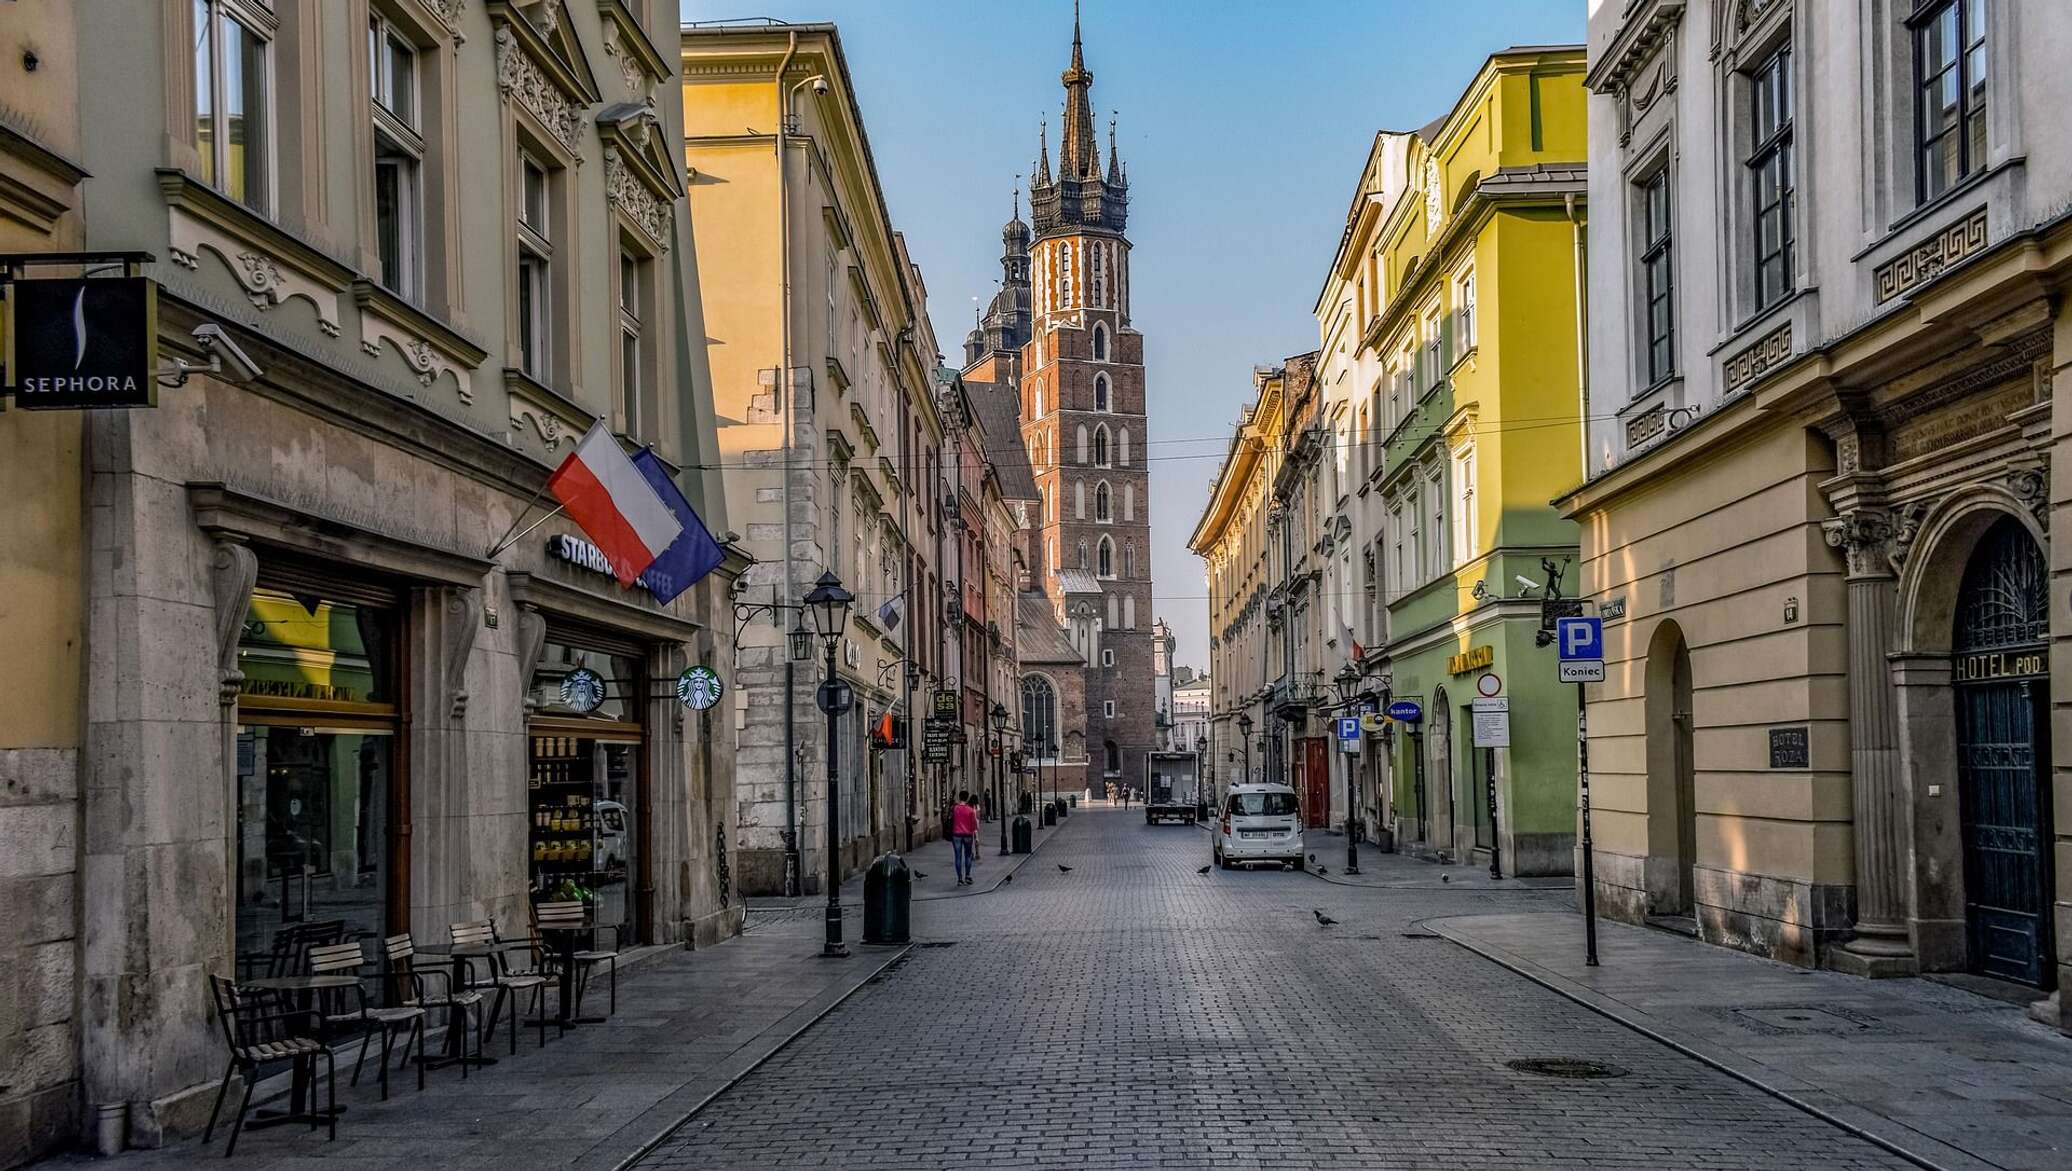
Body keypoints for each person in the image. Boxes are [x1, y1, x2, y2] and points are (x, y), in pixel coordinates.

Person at [951, 791, 979, 886]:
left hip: (956, 835)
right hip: (967, 835)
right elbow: (974, 825)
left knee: (958, 857)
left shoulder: (955, 808)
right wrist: (975, 836)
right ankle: (967, 875)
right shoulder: (970, 810)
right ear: (967, 798)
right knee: (968, 856)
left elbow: (952, 820)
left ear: (959, 797)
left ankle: (959, 879)